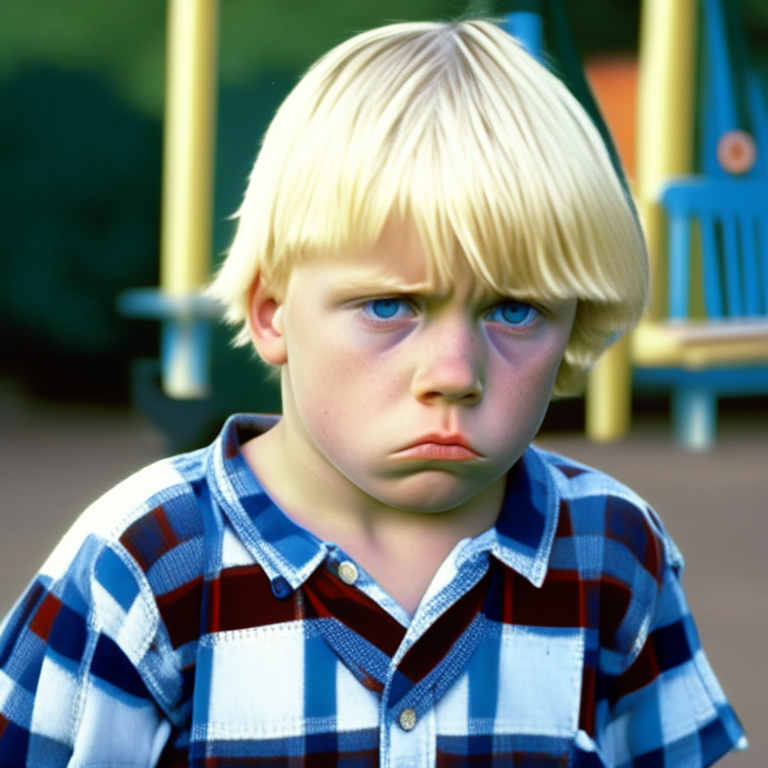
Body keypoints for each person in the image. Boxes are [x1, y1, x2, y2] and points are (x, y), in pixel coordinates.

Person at [0, 19, 745, 768]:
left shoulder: (613, 552)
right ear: (272, 311)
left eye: (514, 310)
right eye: (391, 305)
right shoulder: (144, 564)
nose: (454, 373)